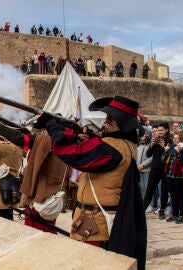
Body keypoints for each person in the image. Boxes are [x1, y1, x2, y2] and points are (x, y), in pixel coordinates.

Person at [37, 96, 147, 270]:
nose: (106, 120)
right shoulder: (123, 144)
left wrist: (51, 124)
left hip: (95, 223)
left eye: (112, 118)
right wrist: (87, 137)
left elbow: (76, 154)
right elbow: (93, 148)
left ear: (124, 123)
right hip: (90, 219)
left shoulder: (113, 148)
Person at [0, 111, 68, 233]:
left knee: (35, 234)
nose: (41, 131)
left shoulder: (47, 140)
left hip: (40, 197)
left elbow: (19, 138)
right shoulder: (63, 141)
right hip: (49, 196)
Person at [143, 122, 171, 220]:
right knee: (149, 189)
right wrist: (151, 145)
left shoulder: (170, 140)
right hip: (155, 168)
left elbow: (171, 155)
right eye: (158, 130)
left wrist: (165, 148)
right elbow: (148, 154)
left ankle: (162, 210)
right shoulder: (155, 140)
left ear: (167, 130)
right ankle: (143, 209)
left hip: (165, 169)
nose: (159, 132)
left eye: (161, 130)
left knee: (164, 190)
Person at [162, 133, 183, 223]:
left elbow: (182, 162)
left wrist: (179, 152)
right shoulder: (170, 148)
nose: (175, 140)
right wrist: (165, 151)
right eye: (174, 138)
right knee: (172, 196)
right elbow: (163, 160)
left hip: (179, 176)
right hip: (169, 175)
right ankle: (175, 214)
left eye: (177, 138)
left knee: (180, 196)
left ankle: (182, 215)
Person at [137, 127, 152, 201]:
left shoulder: (150, 145)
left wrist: (143, 165)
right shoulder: (138, 144)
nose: (143, 135)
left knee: (147, 187)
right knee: (141, 187)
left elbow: (152, 157)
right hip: (138, 168)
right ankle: (142, 202)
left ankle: (149, 203)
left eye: (144, 134)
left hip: (146, 169)